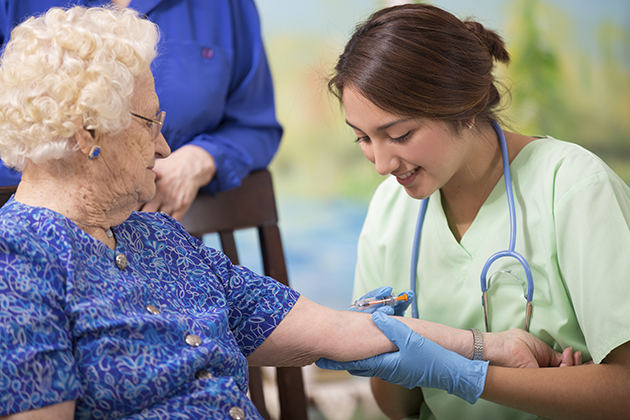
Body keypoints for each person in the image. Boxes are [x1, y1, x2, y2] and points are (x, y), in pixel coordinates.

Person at [0, 6, 572, 419]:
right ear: (89, 133)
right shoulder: (19, 265)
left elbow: (336, 330)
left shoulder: (154, 238)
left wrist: (487, 348)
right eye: (151, 123)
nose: (165, 147)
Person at [316, 3, 630, 420]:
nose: (381, 164)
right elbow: (398, 409)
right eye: (363, 139)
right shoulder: (390, 209)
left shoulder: (574, 187)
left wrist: (467, 375)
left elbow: (622, 391)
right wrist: (382, 347)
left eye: (400, 134)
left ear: (462, 107)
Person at [0, 0, 281, 220]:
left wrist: (200, 159)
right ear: (85, 131)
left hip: (164, 241)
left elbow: (255, 125)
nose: (164, 149)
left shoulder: (227, 7)